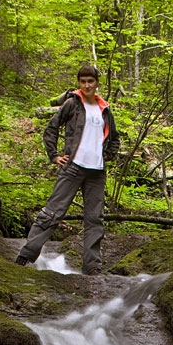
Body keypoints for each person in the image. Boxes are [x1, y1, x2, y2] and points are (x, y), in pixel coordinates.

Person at [15, 63, 120, 275]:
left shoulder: (105, 109)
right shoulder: (72, 104)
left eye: (91, 81)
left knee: (94, 219)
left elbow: (115, 137)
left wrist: (108, 154)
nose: (87, 85)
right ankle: (26, 256)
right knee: (53, 212)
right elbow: (51, 129)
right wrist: (54, 155)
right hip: (73, 167)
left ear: (97, 83)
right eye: (83, 81)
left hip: (96, 172)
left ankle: (92, 268)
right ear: (79, 83)